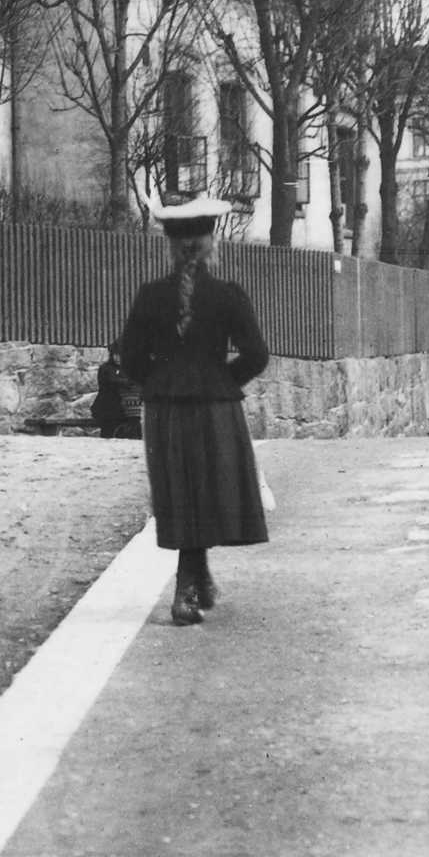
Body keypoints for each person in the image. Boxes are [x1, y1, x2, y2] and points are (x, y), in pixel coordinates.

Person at [113, 194, 274, 626]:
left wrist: (162, 384)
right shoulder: (228, 295)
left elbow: (130, 360)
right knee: (209, 490)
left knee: (181, 493)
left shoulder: (150, 296)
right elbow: (257, 355)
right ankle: (187, 586)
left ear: (171, 246)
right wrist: (221, 382)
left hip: (166, 411)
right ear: (210, 244)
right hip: (215, 410)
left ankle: (197, 579)